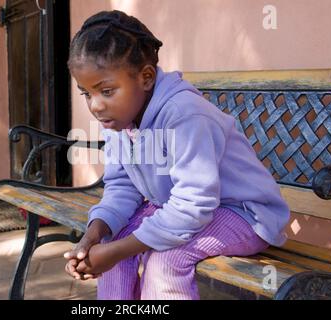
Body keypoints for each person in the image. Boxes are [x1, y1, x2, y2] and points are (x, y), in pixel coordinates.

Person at [63, 10, 290, 300]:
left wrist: (115, 253)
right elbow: (122, 187)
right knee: (114, 238)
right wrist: (93, 236)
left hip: (245, 214)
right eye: (86, 93)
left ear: (145, 77)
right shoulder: (117, 120)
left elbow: (194, 203)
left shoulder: (184, 114)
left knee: (165, 259)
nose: (96, 106)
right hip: (185, 209)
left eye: (106, 90)